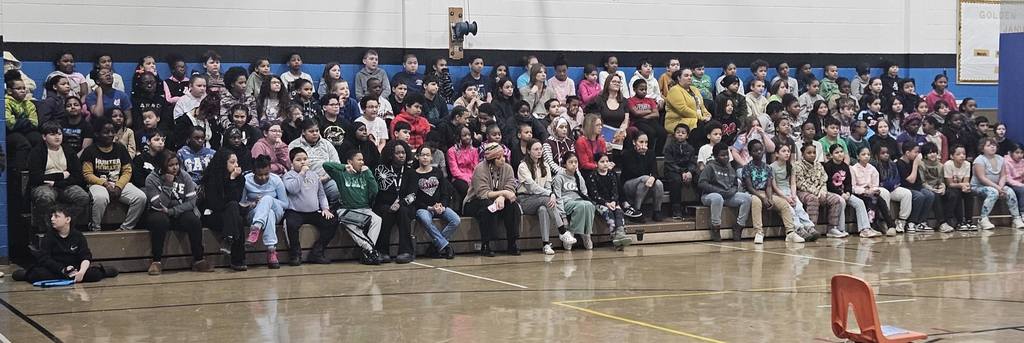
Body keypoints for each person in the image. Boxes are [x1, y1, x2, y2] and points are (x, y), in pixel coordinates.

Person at [142, 151, 212, 275]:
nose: (175, 167)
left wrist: (172, 211)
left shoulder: (184, 176)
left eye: (177, 164)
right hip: (158, 212)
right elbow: (158, 204)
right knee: (159, 222)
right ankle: (156, 261)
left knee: (194, 221)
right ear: (162, 166)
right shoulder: (152, 179)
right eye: (170, 165)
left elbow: (191, 203)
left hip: (177, 211)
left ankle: (199, 259)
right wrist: (168, 185)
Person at [11, 206, 118, 284]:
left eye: (56, 216)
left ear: (67, 219)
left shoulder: (78, 236)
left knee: (93, 275)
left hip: (74, 269)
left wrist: (81, 272)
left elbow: (85, 256)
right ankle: (26, 274)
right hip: (55, 269)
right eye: (52, 216)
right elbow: (44, 259)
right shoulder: (49, 236)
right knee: (39, 274)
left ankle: (102, 271)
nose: (52, 219)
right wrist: (62, 269)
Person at [82, 117, 146, 231]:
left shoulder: (120, 148)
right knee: (100, 197)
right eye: (106, 132)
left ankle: (125, 228)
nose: (111, 134)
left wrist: (118, 186)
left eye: (113, 132)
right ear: (97, 134)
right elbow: (87, 174)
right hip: (98, 184)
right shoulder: (90, 151)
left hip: (118, 183)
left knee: (140, 197)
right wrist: (105, 184)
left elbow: (127, 171)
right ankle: (95, 229)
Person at [323, 150, 384, 265]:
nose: (362, 162)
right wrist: (344, 167)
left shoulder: (365, 174)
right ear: (350, 161)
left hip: (365, 209)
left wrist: (369, 174)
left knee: (377, 219)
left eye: (362, 160)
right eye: (359, 160)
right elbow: (326, 165)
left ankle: (368, 252)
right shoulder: (341, 174)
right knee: (349, 224)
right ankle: (370, 250)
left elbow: (375, 191)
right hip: (347, 209)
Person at [29, 122, 90, 232]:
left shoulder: (68, 151)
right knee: (45, 196)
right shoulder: (36, 152)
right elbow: (36, 177)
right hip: (43, 185)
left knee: (83, 197)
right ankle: (49, 230)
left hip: (64, 185)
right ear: (44, 137)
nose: (57, 137)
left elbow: (77, 176)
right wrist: (61, 175)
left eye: (59, 134)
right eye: (52, 134)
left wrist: (55, 182)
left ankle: (67, 226)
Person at [464, 143, 523, 256]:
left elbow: (510, 188)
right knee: (489, 207)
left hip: (499, 200)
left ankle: (512, 243)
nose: (503, 159)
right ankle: (486, 244)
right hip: (475, 201)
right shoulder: (480, 169)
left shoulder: (508, 168)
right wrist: (504, 193)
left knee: (513, 205)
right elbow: (482, 193)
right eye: (498, 157)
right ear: (491, 160)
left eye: (503, 156)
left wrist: (502, 196)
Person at [401, 145, 460, 259]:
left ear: (431, 157)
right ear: (417, 157)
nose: (425, 158)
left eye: (427, 155)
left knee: (456, 219)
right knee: (425, 219)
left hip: (439, 206)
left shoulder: (437, 172)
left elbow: (445, 192)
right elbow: (413, 197)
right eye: (422, 155)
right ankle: (446, 246)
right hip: (423, 208)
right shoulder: (413, 174)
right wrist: (429, 208)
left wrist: (442, 205)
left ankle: (435, 246)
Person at [282, 148, 336, 266]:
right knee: (291, 224)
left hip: (313, 212)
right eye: (298, 160)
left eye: (305, 159)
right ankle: (295, 254)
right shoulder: (288, 176)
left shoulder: (314, 175)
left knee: (332, 221)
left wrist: (325, 209)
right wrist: (301, 174)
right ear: (292, 163)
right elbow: (293, 189)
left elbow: (321, 194)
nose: (303, 162)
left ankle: (317, 251)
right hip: (295, 211)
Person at [517, 139, 567, 255]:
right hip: (525, 200)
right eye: (536, 149)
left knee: (543, 209)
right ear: (529, 151)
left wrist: (552, 194)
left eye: (540, 149)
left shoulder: (545, 165)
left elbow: (548, 185)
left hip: (541, 200)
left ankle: (545, 244)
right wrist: (550, 194)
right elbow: (532, 187)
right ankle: (562, 231)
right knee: (546, 200)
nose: (539, 152)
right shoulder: (522, 166)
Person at [742, 139, 797, 244]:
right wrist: (763, 198)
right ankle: (759, 232)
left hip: (766, 193)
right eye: (755, 150)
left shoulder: (768, 167)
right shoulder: (747, 167)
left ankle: (790, 232)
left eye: (760, 150)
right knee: (756, 201)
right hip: (752, 193)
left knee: (783, 204)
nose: (758, 152)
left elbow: (769, 186)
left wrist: (770, 198)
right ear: (750, 153)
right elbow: (749, 187)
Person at [824, 144, 883, 238]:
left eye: (841, 152)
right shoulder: (828, 166)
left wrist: (847, 192)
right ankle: (840, 229)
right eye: (836, 152)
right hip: (832, 192)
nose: (840, 154)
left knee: (859, 202)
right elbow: (829, 184)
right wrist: (841, 194)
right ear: (831, 155)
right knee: (841, 201)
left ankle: (865, 229)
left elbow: (848, 183)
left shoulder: (845, 167)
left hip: (845, 192)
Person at [202, 150, 248, 270]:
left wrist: (232, 179)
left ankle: (228, 239)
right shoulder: (211, 178)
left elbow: (235, 199)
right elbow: (215, 204)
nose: (236, 165)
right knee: (234, 213)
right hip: (213, 215)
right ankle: (237, 259)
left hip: (230, 216)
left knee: (236, 215)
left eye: (237, 162)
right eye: (232, 162)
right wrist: (230, 180)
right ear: (223, 163)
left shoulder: (240, 179)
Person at [241, 155, 290, 269]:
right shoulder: (246, 180)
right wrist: (253, 203)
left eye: (266, 174)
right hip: (253, 212)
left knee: (267, 199)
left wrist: (266, 201)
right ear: (253, 172)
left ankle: (256, 228)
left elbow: (285, 204)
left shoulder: (276, 180)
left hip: (276, 209)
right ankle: (271, 250)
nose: (263, 177)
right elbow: (242, 204)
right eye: (260, 175)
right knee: (269, 214)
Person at [699, 143, 752, 242]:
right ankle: (715, 227)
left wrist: (732, 191)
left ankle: (739, 226)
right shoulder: (710, 167)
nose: (725, 157)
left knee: (747, 198)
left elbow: (735, 184)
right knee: (717, 198)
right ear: (715, 156)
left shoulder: (730, 168)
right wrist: (719, 191)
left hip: (727, 195)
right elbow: (702, 183)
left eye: (727, 155)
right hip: (710, 196)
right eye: (722, 155)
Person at [373, 140, 416, 264]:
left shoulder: (410, 172)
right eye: (398, 153)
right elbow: (379, 193)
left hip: (405, 206)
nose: (401, 155)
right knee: (386, 212)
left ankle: (406, 251)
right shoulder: (381, 171)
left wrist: (400, 204)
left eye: (403, 153)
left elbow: (413, 195)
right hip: (386, 205)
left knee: (402, 211)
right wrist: (390, 206)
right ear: (391, 155)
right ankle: (382, 251)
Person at [794, 144, 845, 238]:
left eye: (814, 152)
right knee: (813, 199)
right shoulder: (797, 165)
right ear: (802, 154)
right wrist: (817, 193)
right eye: (809, 153)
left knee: (835, 199)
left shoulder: (819, 165)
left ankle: (832, 228)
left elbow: (824, 180)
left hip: (820, 191)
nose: (812, 155)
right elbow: (801, 183)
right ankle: (810, 227)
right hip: (803, 191)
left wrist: (823, 192)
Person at [288, 119, 342, 205]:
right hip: (304, 183)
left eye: (317, 131)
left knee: (337, 189)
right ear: (303, 132)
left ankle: (332, 209)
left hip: (326, 181)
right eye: (311, 131)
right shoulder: (294, 145)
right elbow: (291, 167)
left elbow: (336, 164)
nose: (315, 133)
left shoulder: (326, 144)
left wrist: (326, 178)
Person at [973, 138, 1024, 230]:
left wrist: (1000, 187)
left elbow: (1003, 175)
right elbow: (982, 178)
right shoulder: (979, 160)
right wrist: (997, 188)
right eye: (989, 145)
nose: (992, 147)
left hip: (997, 185)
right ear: (982, 148)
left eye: (994, 145)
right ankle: (983, 219)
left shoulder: (1000, 159)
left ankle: (1016, 218)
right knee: (993, 193)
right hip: (980, 186)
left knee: (1010, 191)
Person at [586, 154, 633, 250]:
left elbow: (615, 191)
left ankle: (621, 234)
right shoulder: (592, 176)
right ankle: (616, 238)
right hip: (600, 203)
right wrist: (606, 203)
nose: (605, 164)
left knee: (619, 212)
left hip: (612, 202)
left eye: (607, 161)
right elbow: (594, 195)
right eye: (602, 162)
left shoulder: (612, 174)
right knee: (610, 215)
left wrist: (614, 202)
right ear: (596, 163)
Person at [770, 144, 815, 242]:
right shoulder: (772, 167)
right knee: (790, 210)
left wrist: (793, 195)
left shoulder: (791, 166)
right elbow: (774, 186)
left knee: (799, 207)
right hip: (779, 193)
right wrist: (786, 198)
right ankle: (798, 229)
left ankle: (809, 227)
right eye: (783, 151)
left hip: (789, 192)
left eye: (788, 151)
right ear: (777, 154)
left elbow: (793, 183)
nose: (787, 153)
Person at [620, 131, 666, 222]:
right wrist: (641, 156)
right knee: (645, 178)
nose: (644, 145)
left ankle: (657, 211)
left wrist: (653, 177)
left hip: (645, 183)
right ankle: (637, 211)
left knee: (659, 183)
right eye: (641, 142)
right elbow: (634, 172)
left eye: (646, 142)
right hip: (629, 184)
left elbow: (655, 172)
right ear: (634, 142)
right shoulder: (627, 154)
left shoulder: (651, 153)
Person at [850, 146, 897, 236]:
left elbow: (876, 184)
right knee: (872, 199)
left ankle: (891, 226)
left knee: (880, 200)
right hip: (860, 193)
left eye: (868, 154)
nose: (866, 156)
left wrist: (873, 190)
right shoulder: (853, 169)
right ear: (858, 156)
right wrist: (865, 191)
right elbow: (853, 187)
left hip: (871, 192)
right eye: (863, 154)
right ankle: (871, 225)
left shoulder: (872, 169)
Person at [6, 70, 41, 173]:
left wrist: (20, 122)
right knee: (23, 144)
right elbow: (9, 123)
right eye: (18, 88)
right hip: (10, 134)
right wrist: (26, 121)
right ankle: (18, 172)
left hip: (25, 131)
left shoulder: (29, 104)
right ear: (9, 91)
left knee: (38, 139)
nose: (23, 91)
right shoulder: (6, 102)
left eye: (24, 88)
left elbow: (35, 123)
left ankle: (38, 170)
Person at [896, 144, 936, 232]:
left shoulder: (912, 161)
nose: (918, 155)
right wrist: (915, 164)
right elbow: (911, 180)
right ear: (907, 153)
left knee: (930, 195)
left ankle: (921, 222)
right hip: (905, 187)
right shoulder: (899, 163)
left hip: (916, 187)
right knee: (919, 196)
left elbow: (918, 182)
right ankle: (911, 222)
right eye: (916, 152)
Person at [663, 124, 697, 220]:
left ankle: (698, 203)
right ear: (674, 134)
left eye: (683, 133)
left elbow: (692, 162)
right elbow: (669, 163)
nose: (680, 134)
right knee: (676, 180)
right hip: (672, 170)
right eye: (678, 132)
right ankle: (676, 208)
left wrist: (690, 171)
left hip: (686, 170)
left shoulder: (690, 148)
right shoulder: (669, 147)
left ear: (687, 135)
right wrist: (681, 172)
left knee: (698, 177)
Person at [665, 68, 710, 133]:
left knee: (713, 124)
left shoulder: (694, 89)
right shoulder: (674, 90)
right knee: (701, 126)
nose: (689, 78)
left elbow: (701, 106)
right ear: (679, 78)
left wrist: (707, 115)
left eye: (691, 76)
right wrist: (701, 118)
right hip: (679, 121)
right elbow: (683, 109)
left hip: (696, 118)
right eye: (686, 76)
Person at [628, 79, 666, 152]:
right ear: (634, 89)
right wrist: (649, 111)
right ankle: (649, 152)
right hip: (637, 122)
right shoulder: (630, 100)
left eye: (645, 89)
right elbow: (636, 113)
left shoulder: (650, 100)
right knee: (650, 132)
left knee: (662, 132)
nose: (644, 91)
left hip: (649, 121)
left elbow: (656, 114)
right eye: (641, 89)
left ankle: (658, 153)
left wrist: (644, 116)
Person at [944, 145, 976, 230]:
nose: (962, 156)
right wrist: (962, 185)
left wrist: (966, 187)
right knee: (955, 193)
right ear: (952, 156)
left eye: (964, 154)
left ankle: (969, 220)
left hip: (960, 186)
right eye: (958, 154)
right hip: (950, 188)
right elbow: (950, 184)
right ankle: (959, 221)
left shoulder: (967, 164)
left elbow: (966, 181)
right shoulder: (948, 164)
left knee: (970, 193)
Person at [448, 126, 479, 203]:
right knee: (465, 187)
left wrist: (473, 179)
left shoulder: (474, 150)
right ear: (458, 137)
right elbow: (454, 171)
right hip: (458, 178)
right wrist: (467, 179)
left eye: (469, 135)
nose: (468, 137)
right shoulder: (452, 151)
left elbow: (476, 167)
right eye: (464, 135)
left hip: (473, 177)